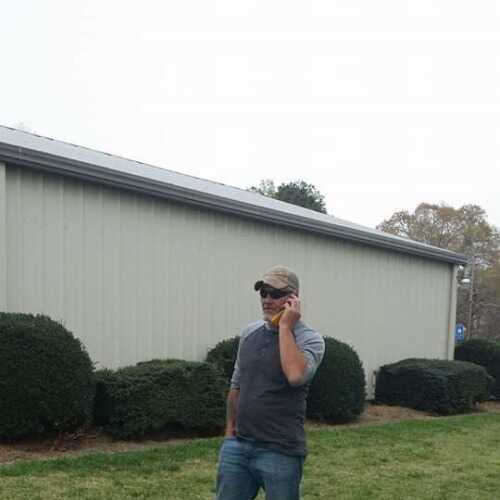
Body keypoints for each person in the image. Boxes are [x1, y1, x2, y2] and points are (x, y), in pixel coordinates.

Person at [215, 265, 325, 500]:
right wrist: (229, 433)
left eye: (275, 294)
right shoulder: (249, 333)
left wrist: (284, 326)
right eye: (263, 292)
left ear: (293, 299)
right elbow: (236, 385)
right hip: (237, 448)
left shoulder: (310, 340)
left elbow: (295, 376)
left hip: (281, 451)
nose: (266, 299)